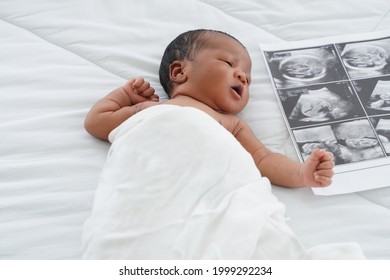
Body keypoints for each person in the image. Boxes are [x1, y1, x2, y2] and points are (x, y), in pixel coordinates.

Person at [84, 29, 334, 188]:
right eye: (228, 63)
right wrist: (125, 95)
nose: (243, 78)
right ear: (180, 71)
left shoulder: (232, 125)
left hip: (207, 194)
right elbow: (97, 122)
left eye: (248, 78)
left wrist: (301, 174)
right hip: (146, 186)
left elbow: (265, 160)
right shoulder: (150, 110)